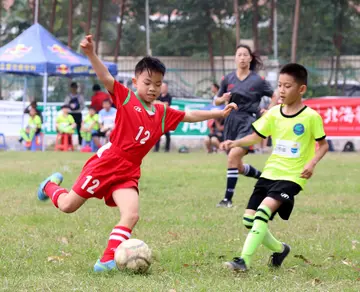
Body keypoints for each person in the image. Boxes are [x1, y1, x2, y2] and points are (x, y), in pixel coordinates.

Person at [36, 35, 237, 273]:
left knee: (131, 214)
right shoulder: (126, 97)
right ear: (135, 81)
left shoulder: (162, 112)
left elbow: (189, 115)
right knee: (68, 205)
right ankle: (49, 185)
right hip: (107, 163)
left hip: (129, 170)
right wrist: (90, 53)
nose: (153, 88)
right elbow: (105, 77)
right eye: (148, 82)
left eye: (158, 83)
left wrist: (218, 114)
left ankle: (106, 260)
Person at [221, 63, 329, 272]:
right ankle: (280, 249)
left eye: (287, 86)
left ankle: (243, 261)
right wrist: (234, 143)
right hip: (270, 173)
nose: (281, 90)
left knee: (262, 212)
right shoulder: (273, 114)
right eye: (279, 85)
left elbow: (323, 145)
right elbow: (256, 136)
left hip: (292, 177)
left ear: (301, 89)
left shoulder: (311, 117)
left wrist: (312, 163)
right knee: (248, 220)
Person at [215, 44, 277, 208]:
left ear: (250, 58)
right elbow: (216, 100)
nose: (242, 57)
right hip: (230, 121)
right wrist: (223, 98)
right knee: (237, 164)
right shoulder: (227, 79)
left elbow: (275, 95)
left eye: (245, 55)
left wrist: (269, 110)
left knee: (233, 156)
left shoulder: (258, 80)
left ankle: (227, 200)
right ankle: (265, 179)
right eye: (239, 55)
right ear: (235, 58)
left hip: (249, 121)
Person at [154, 82, 172, 152]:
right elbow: (153, 102)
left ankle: (167, 149)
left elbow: (166, 105)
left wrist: (158, 102)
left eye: (164, 87)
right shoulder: (158, 95)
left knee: (167, 135)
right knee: (157, 135)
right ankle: (156, 149)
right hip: (158, 118)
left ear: (166, 88)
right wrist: (160, 103)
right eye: (162, 87)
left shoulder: (169, 96)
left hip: (166, 118)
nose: (163, 89)